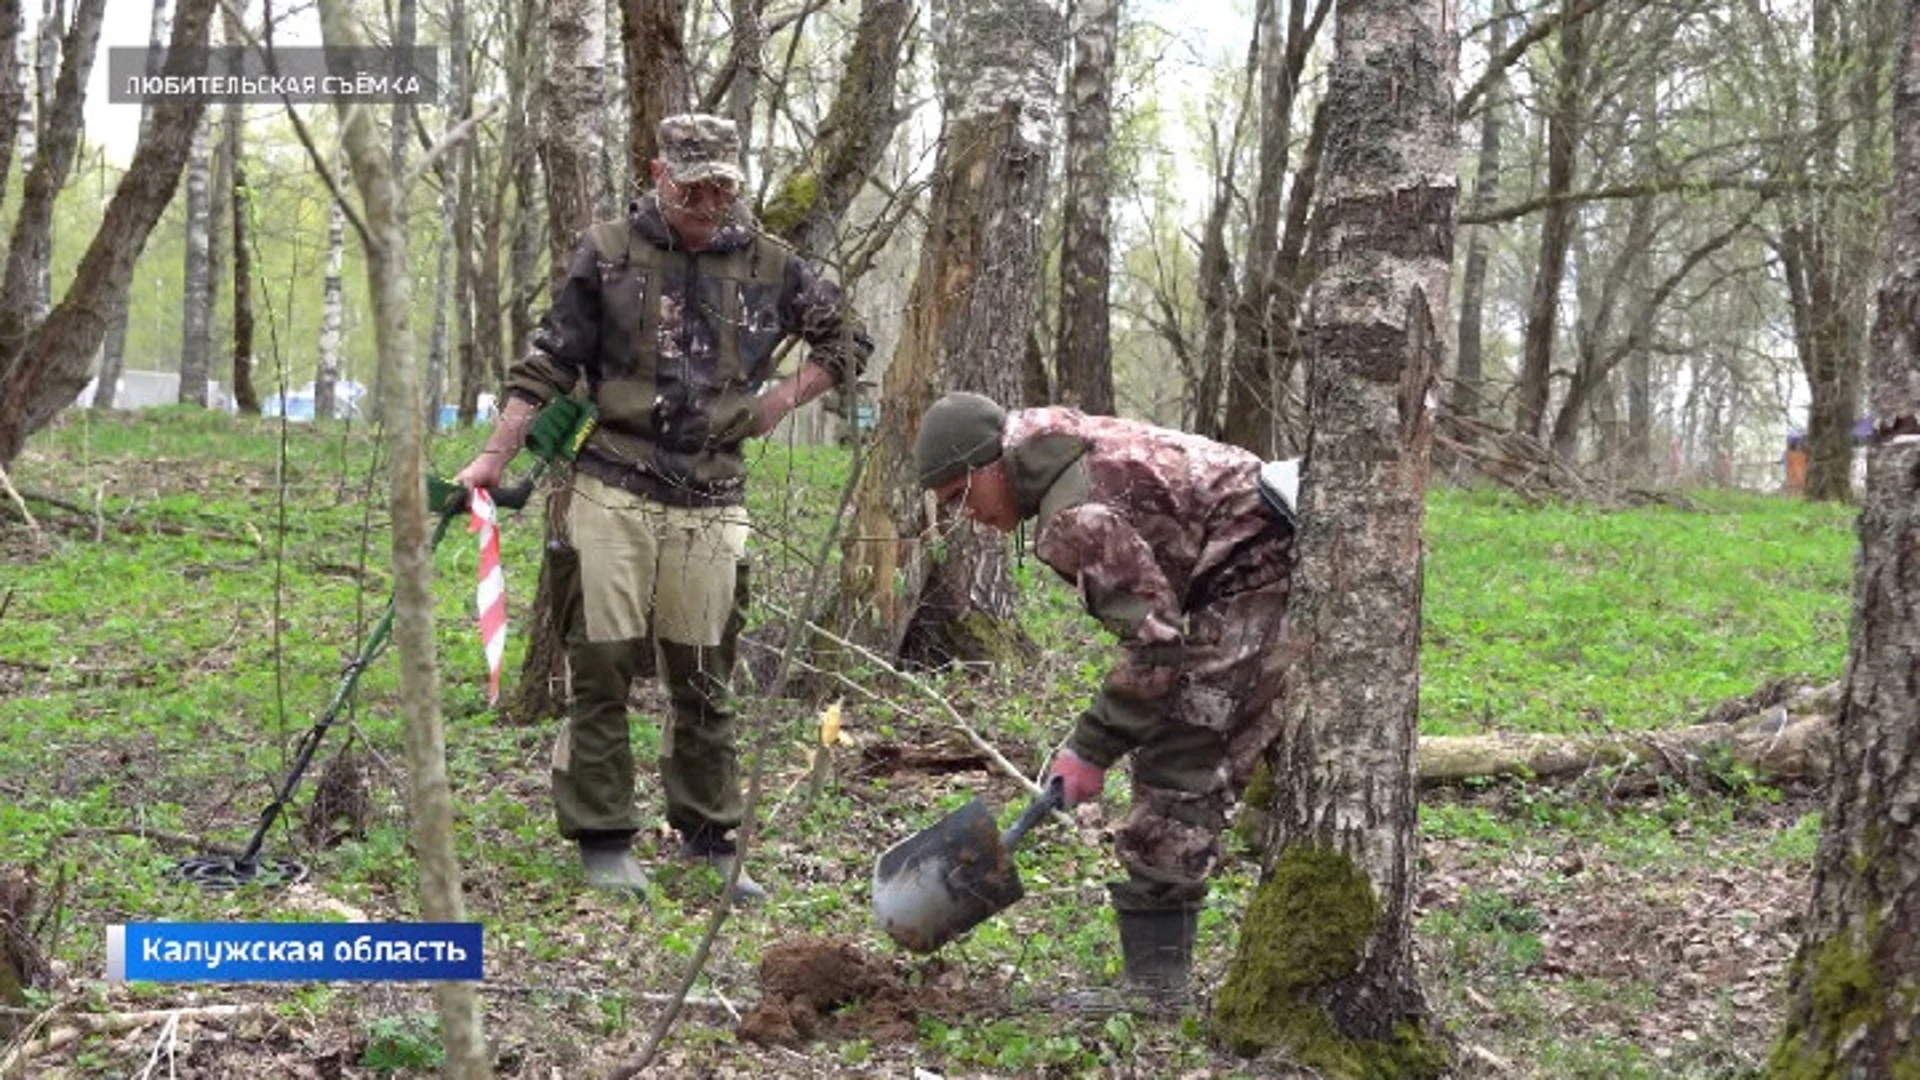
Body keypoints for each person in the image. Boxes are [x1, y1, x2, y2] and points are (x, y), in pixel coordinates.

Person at [458, 114, 872, 902]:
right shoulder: (609, 252)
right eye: (692, 189)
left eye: (722, 189)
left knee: (705, 671)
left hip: (712, 496)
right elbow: (548, 361)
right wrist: (494, 456)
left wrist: (781, 400)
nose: (707, 204)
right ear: (657, 174)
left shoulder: (771, 264)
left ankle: (710, 835)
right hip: (612, 482)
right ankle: (605, 837)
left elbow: (848, 340)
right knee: (604, 665)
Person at [913, 391, 1295, 999]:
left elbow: (1156, 648)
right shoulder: (1057, 446)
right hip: (1264, 543)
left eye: (962, 495)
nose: (967, 516)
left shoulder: (1076, 510)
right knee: (1242, 745)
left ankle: (1154, 991)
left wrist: (1090, 749)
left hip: (1263, 564)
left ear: (991, 464)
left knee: (1179, 755)